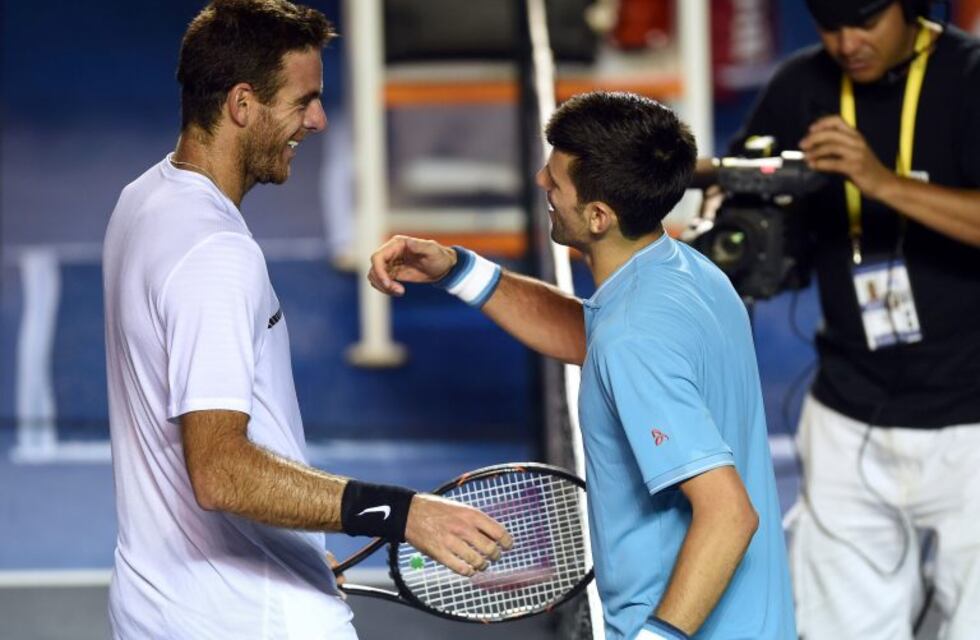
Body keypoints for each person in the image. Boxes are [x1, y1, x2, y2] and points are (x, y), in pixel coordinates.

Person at [101, 1, 511, 638]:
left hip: (155, 609)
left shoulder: (142, 200)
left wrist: (290, 550)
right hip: (248, 622)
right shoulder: (216, 254)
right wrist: (402, 513)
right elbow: (220, 471)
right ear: (242, 104)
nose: (318, 120)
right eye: (304, 101)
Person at [368, 91, 796, 640]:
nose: (541, 181)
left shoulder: (631, 339)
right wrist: (456, 270)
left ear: (598, 216)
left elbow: (729, 514)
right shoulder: (690, 274)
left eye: (556, 180)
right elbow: (586, 333)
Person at [700, 0, 980, 637]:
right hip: (849, 410)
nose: (847, 41)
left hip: (972, 424)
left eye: (866, 22)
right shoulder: (801, 84)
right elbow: (738, 201)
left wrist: (879, 181)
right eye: (831, 25)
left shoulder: (969, 79)